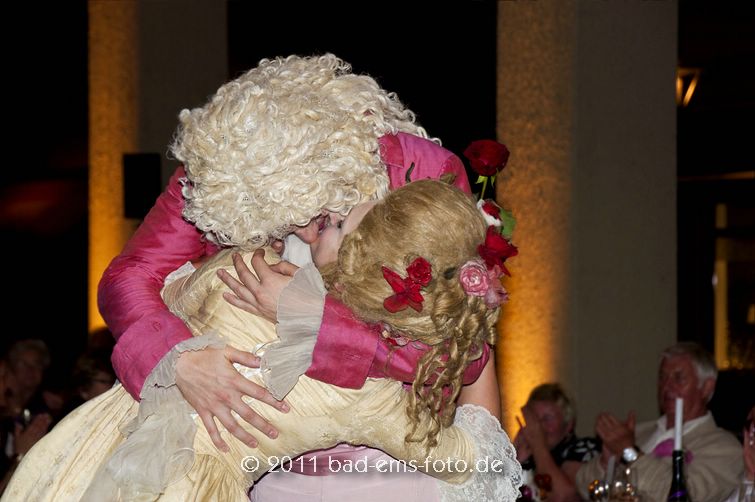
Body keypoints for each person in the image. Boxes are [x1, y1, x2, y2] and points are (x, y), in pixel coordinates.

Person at [4, 180, 522, 501]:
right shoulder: (371, 395)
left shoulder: (243, 267)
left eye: (339, 225)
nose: (321, 223)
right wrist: (470, 334)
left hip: (108, 447)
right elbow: (472, 463)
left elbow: (164, 292)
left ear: (357, 262)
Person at [98, 53, 475, 454]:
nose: (304, 235)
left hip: (390, 445)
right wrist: (179, 361)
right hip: (255, 446)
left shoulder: (419, 174)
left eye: (315, 214)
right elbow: (129, 275)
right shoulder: (219, 172)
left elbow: (464, 352)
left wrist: (310, 316)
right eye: (281, 225)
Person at [576, 342, 743, 502]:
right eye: (662, 377)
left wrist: (630, 453)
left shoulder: (724, 448)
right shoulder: (638, 433)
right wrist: (607, 463)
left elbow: (684, 495)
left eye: (678, 378)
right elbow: (583, 488)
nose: (666, 386)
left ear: (706, 387)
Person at [513, 383, 599, 502]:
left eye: (547, 418)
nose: (539, 427)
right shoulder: (526, 456)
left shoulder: (582, 450)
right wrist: (514, 460)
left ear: (568, 425)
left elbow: (563, 497)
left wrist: (538, 445)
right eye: (535, 420)